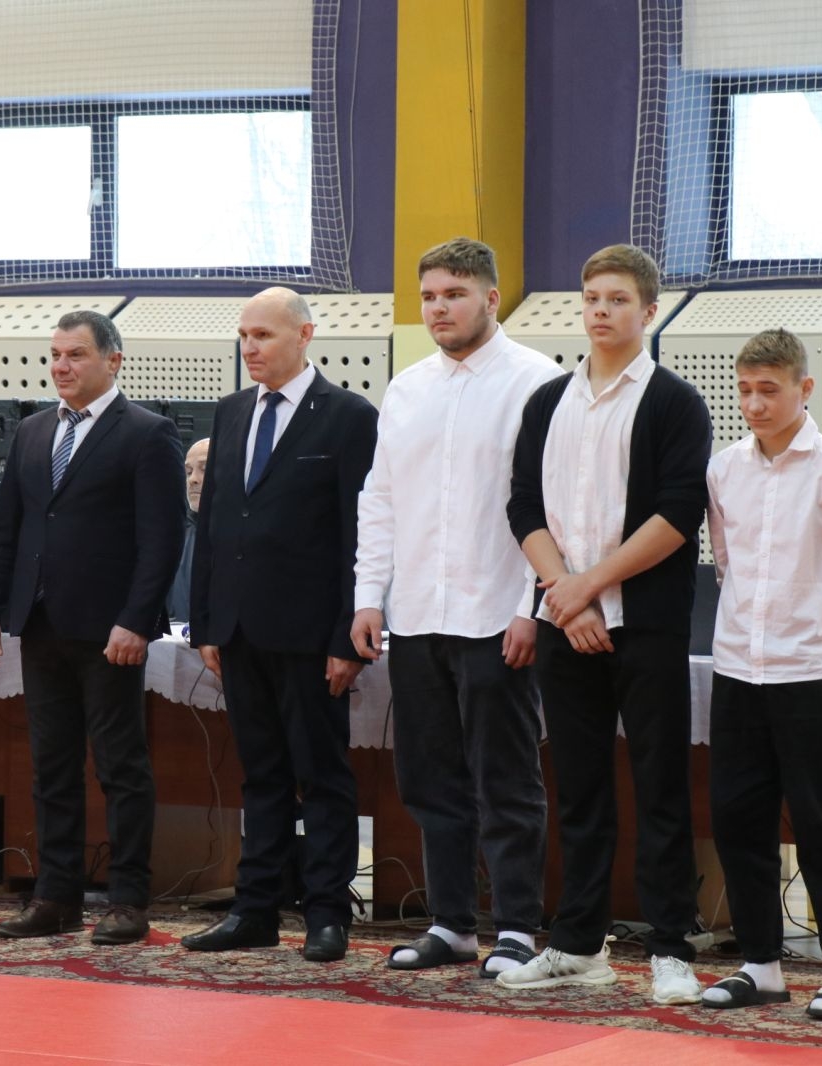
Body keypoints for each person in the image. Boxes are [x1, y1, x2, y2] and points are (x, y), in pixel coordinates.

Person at [500, 244, 711, 1005]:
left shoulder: (674, 402)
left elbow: (678, 515)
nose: (600, 310)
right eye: (591, 297)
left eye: (617, 299)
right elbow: (524, 506)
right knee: (579, 789)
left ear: (648, 311)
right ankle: (578, 944)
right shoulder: (547, 402)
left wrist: (588, 587)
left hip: (644, 623)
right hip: (567, 622)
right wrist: (567, 596)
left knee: (659, 787)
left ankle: (671, 949)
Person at [349, 238, 560, 977]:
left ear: (491, 298)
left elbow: (549, 507)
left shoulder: (538, 381)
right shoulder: (407, 388)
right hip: (414, 615)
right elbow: (380, 499)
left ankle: (517, 928)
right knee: (429, 778)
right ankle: (451, 924)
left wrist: (534, 605)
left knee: (505, 780)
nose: (439, 308)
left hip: (498, 611)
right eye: (429, 296)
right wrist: (367, 596)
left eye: (454, 295)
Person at [701, 328, 822, 1021]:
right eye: (745, 390)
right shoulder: (724, 471)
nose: (754, 404)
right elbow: (727, 563)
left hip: (813, 674)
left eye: (769, 390)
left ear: (803, 388)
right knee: (738, 821)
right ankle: (761, 965)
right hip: (738, 671)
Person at [0, 310, 184, 945]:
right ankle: (55, 896)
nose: (61, 366)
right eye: (56, 354)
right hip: (40, 624)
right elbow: (5, 529)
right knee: (50, 767)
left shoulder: (148, 433)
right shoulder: (34, 431)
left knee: (121, 767)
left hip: (109, 631)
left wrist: (136, 620)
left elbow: (162, 540)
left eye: (76, 355)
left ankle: (128, 900)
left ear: (113, 360)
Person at [183, 287, 378, 964]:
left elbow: (359, 533)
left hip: (311, 632)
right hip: (239, 629)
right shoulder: (232, 411)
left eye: (263, 335)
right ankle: (255, 909)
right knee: (261, 774)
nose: (250, 347)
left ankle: (326, 914)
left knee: (321, 776)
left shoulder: (348, 416)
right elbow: (214, 523)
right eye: (244, 335)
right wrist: (206, 622)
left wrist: (346, 635)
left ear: (304, 335)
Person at [165, 437, 209, 625]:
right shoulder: (171, 535)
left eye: (204, 469)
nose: (193, 479)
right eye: (188, 472)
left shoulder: (246, 536)